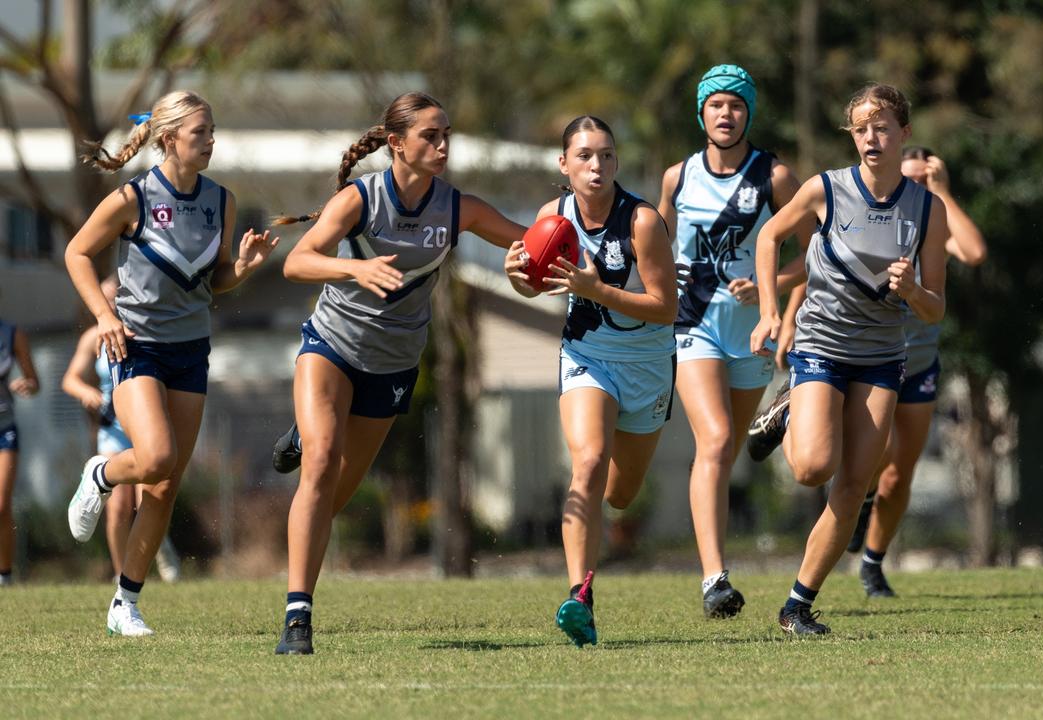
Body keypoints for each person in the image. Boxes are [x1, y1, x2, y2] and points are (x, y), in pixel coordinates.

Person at [271, 92, 526, 655]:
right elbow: (296, 261)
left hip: (393, 364)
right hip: (332, 346)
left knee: (332, 496)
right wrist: (354, 267)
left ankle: (302, 433)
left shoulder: (459, 208)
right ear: (397, 144)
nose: (442, 146)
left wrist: (542, 248)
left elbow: (527, 240)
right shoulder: (360, 199)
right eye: (430, 136)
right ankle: (297, 620)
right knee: (319, 463)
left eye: (446, 135)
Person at [63, 90, 278, 636]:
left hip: (191, 351)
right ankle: (102, 473)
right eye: (200, 131)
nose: (210, 140)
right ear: (169, 139)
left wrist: (246, 268)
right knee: (155, 456)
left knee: (165, 484)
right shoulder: (132, 198)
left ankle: (124, 604)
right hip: (137, 345)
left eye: (212, 130)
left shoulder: (221, 201)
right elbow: (77, 253)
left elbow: (217, 278)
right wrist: (103, 317)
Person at [748, 83, 948, 635]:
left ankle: (796, 606)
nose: (871, 138)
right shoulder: (826, 190)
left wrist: (912, 293)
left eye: (882, 127)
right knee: (813, 467)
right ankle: (788, 409)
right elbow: (769, 238)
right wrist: (769, 313)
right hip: (820, 346)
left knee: (855, 484)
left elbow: (935, 310)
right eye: (861, 129)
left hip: (883, 356)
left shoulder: (928, 210)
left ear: (904, 134)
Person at [505, 115, 677, 646]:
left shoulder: (642, 222)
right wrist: (519, 279)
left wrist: (596, 289)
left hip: (647, 367)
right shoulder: (550, 218)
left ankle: (585, 584)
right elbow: (536, 288)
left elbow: (666, 307)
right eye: (584, 156)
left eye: (605, 155)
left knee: (621, 495)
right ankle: (580, 598)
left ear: (617, 162)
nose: (595, 166)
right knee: (588, 463)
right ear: (564, 164)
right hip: (588, 356)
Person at [656, 64, 801, 618]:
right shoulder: (677, 177)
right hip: (693, 327)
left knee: (729, 449)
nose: (725, 113)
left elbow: (815, 255)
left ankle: (772, 414)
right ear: (701, 113)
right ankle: (714, 578)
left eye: (736, 105)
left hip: (754, 335)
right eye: (715, 104)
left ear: (749, 114)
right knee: (714, 442)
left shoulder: (776, 177)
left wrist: (771, 289)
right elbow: (656, 247)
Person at [845, 147, 987, 597]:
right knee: (878, 451)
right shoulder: (873, 217)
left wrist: (942, 190)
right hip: (873, 358)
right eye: (912, 180)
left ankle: (872, 564)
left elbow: (974, 251)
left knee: (900, 472)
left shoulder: (933, 222)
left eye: (925, 180)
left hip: (920, 363)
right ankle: (859, 499)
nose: (917, 188)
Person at [61, 276, 180, 582]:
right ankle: (120, 572)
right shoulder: (92, 338)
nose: (111, 304)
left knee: (151, 498)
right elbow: (70, 379)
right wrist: (86, 392)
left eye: (116, 298)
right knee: (117, 508)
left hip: (142, 423)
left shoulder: (141, 332)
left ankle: (160, 543)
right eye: (105, 298)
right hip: (112, 428)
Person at [0, 302, 40, 586]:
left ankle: (4, 575)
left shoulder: (12, 334)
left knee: (1, 505)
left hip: (5, 428)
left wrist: (27, 384)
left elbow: (34, 380)